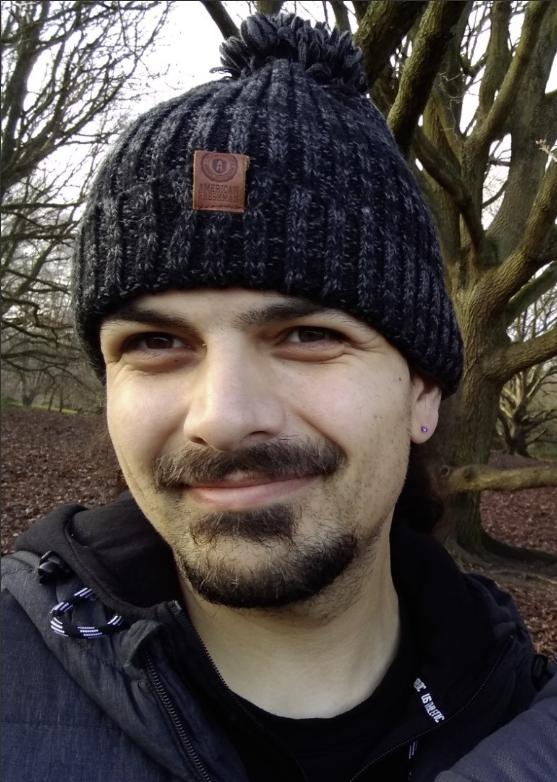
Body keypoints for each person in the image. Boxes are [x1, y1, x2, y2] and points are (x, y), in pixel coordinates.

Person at [1, 13, 554, 782]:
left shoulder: (528, 733)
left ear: (422, 391)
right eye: (156, 344)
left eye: (305, 336)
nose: (222, 416)